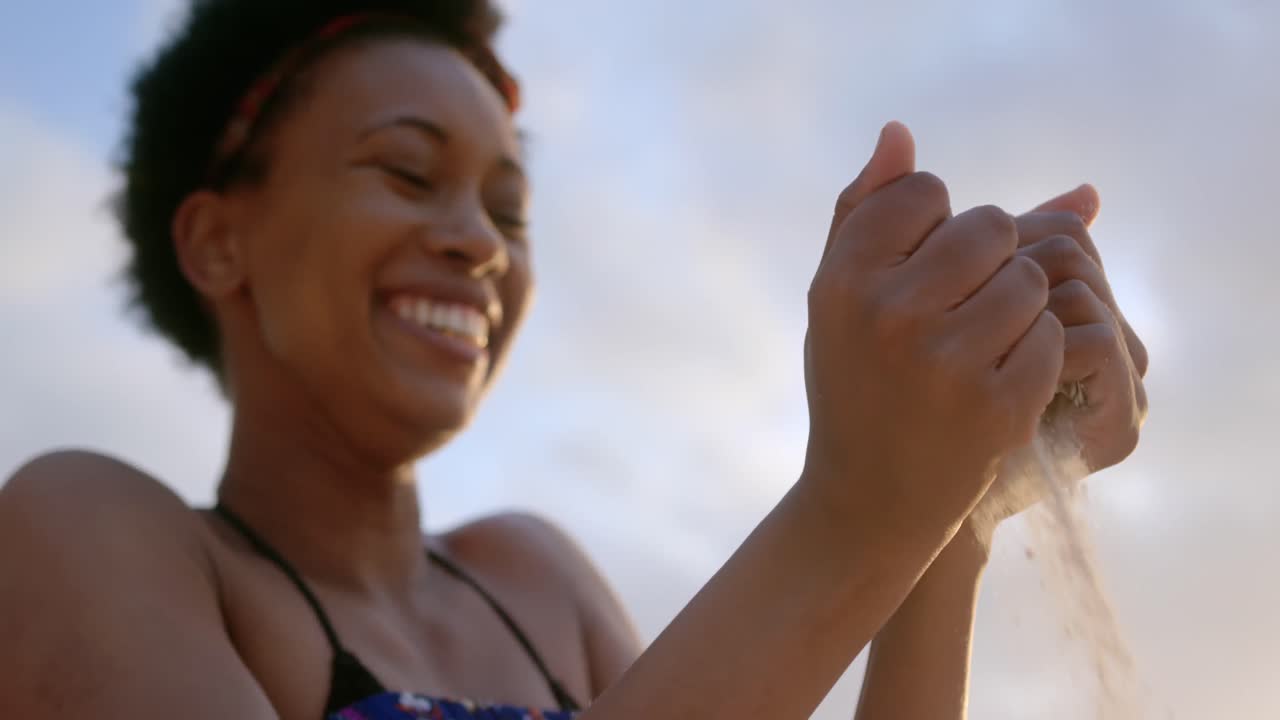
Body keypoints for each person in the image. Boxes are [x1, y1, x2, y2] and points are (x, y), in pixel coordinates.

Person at [0, 1, 1149, 718]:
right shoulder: (83, 532)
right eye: (407, 174)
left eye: (508, 209)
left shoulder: (535, 582)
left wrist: (950, 520)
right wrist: (858, 508)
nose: (475, 244)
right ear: (217, 239)